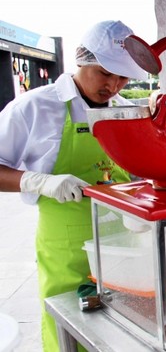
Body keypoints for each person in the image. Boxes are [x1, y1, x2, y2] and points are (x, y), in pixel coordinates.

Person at [0, 20, 148, 351]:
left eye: (122, 76)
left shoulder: (127, 111)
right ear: (82, 60)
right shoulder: (35, 107)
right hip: (67, 248)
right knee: (69, 329)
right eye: (105, 73)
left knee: (122, 330)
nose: (113, 85)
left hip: (122, 244)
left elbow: (140, 172)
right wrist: (37, 180)